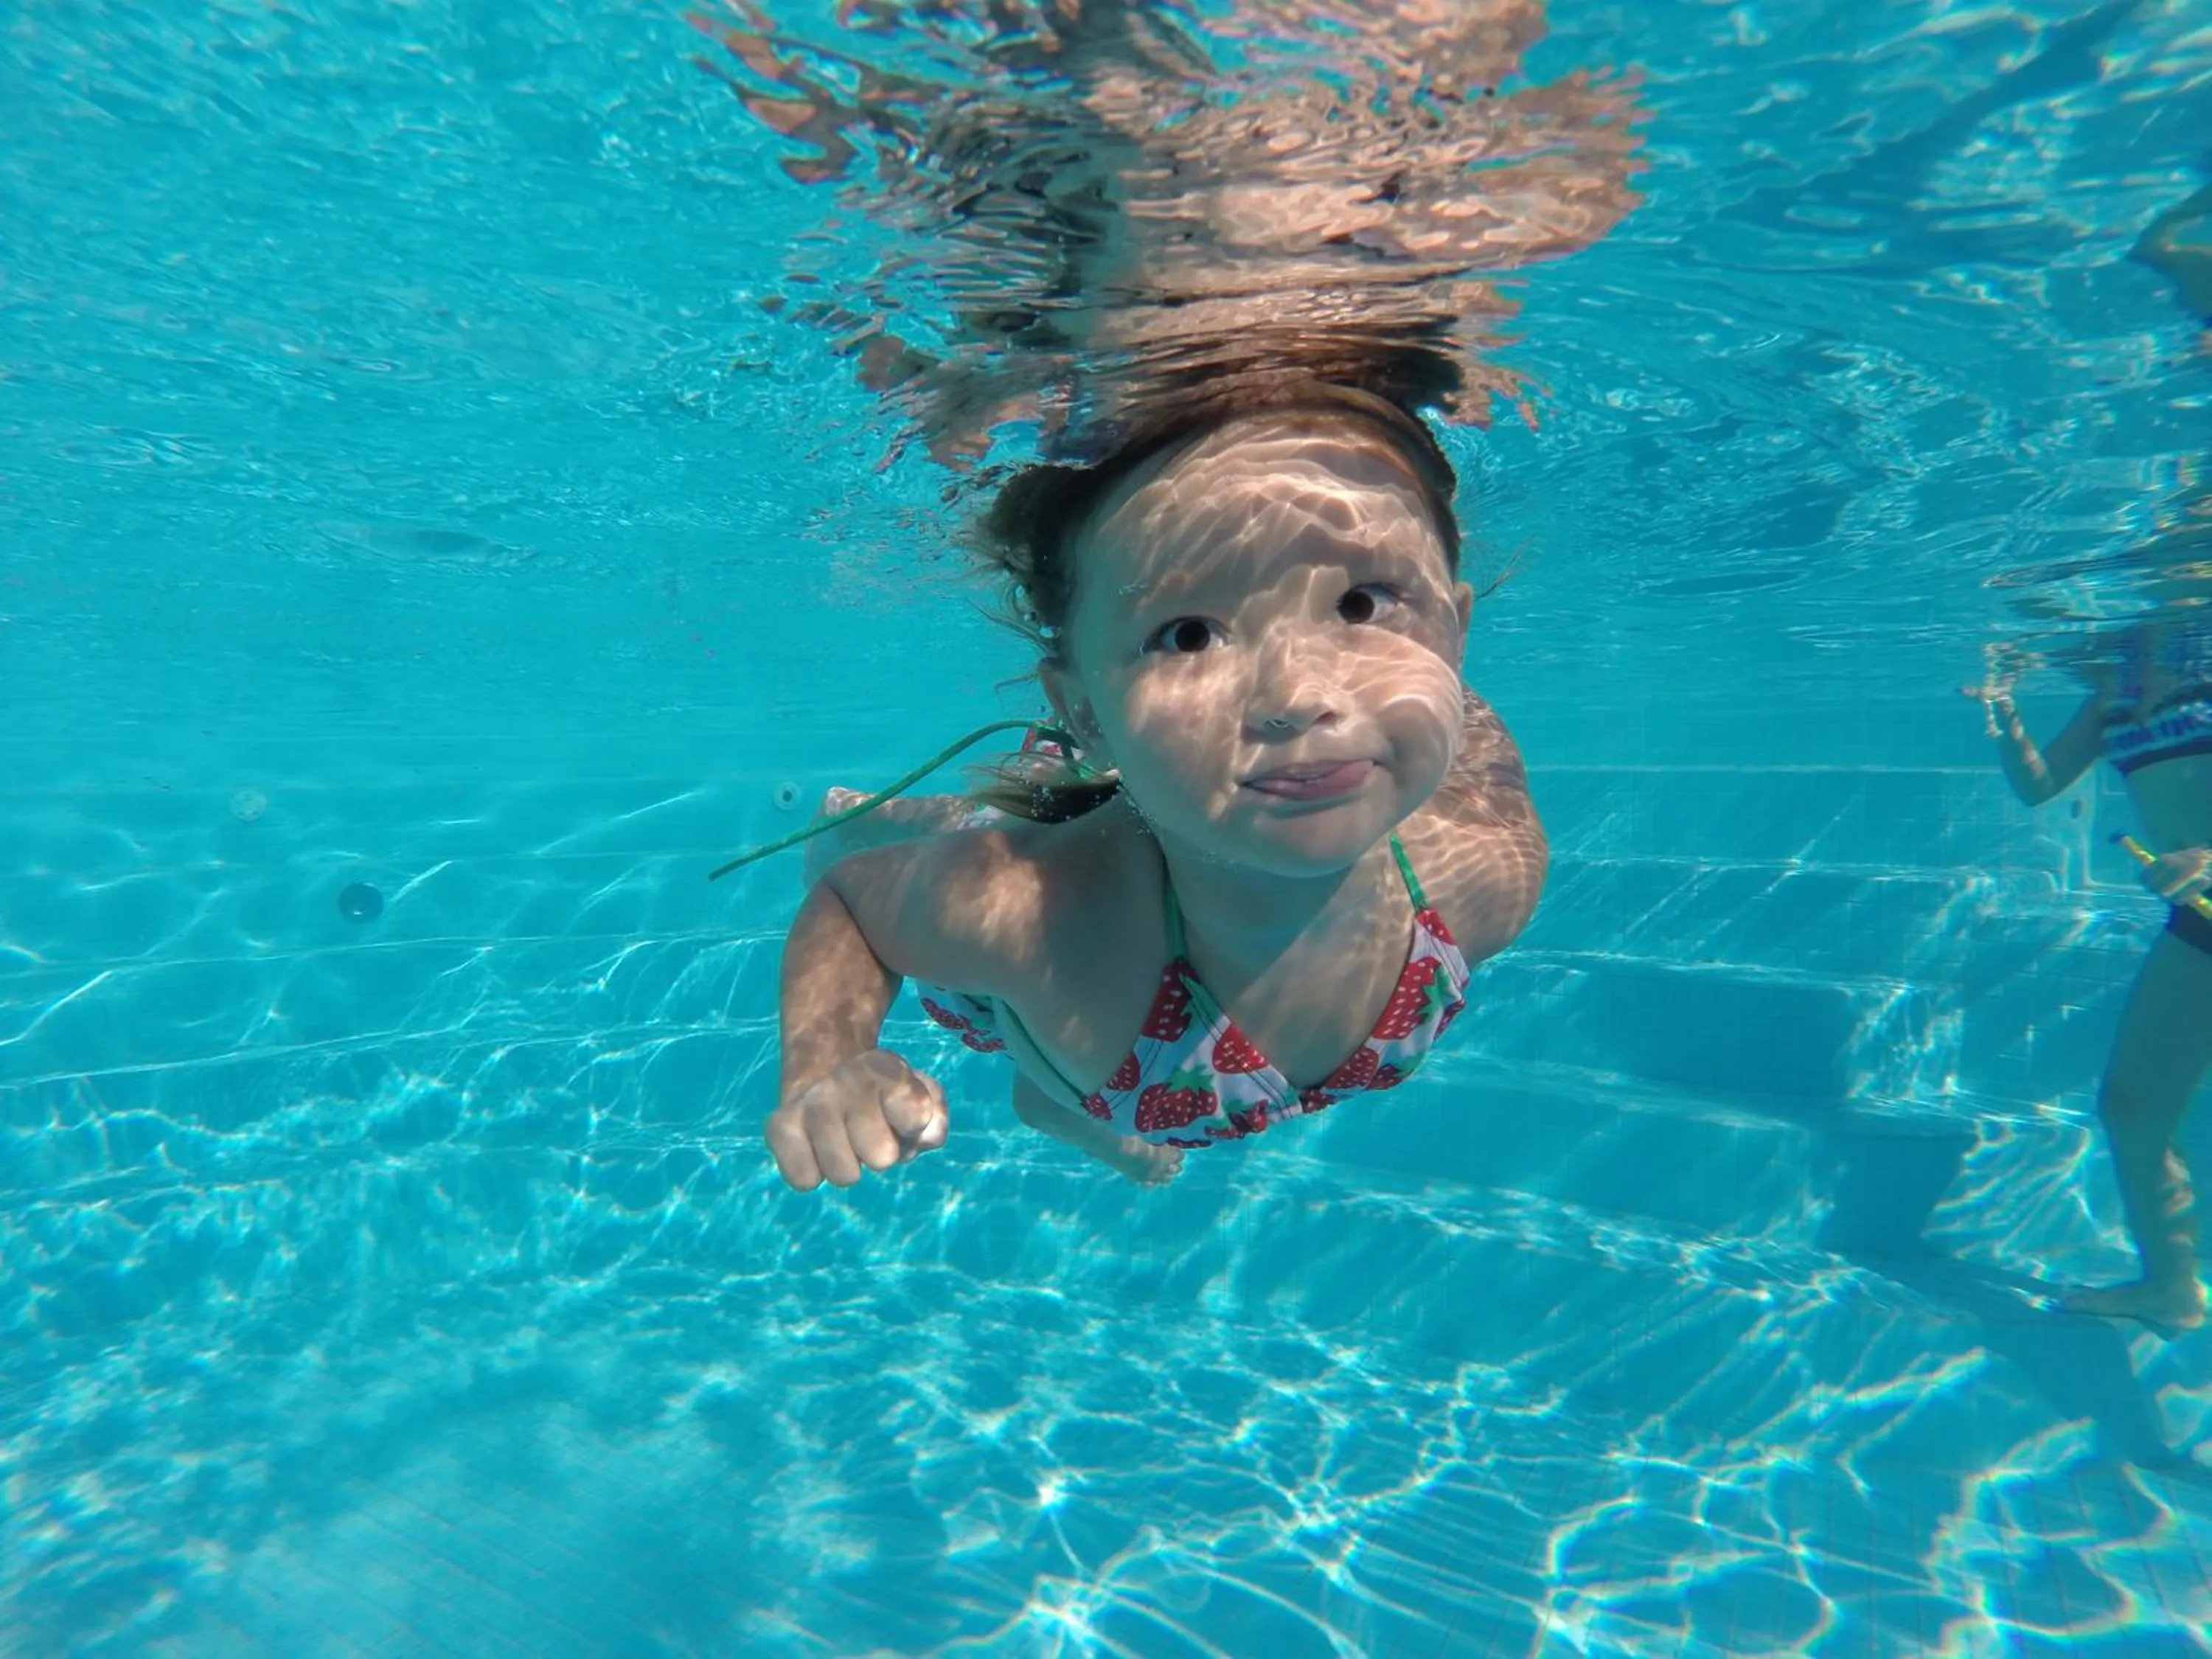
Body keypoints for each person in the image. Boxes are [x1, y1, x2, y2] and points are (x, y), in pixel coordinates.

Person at [762, 380, 1548, 1187]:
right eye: (1188, 635)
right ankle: (857, 817)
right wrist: (828, 1062)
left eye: (1361, 603)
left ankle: (1063, 1100)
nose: (1300, 697)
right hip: (1071, 960)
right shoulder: (1035, 920)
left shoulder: (1488, 871)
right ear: (1086, 711)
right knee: (988, 827)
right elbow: (853, 904)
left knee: (1057, 1071)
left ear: (1454, 636)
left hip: (1104, 1043)